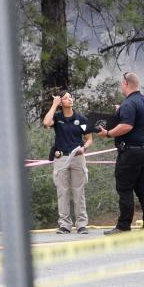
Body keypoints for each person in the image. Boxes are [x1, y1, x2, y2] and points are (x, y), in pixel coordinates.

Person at [97, 72, 144, 234]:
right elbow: (140, 120)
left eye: (121, 84)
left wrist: (107, 133)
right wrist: (121, 110)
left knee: (125, 189)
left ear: (125, 83)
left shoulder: (129, 104)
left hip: (131, 153)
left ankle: (123, 226)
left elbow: (127, 126)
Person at [43, 91, 93, 234]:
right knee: (62, 192)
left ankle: (81, 224)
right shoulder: (57, 117)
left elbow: (89, 138)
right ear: (61, 102)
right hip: (61, 158)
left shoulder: (81, 118)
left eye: (70, 97)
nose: (69, 99)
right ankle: (64, 224)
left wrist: (84, 148)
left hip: (77, 157)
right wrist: (54, 105)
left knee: (79, 191)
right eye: (65, 98)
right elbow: (46, 122)